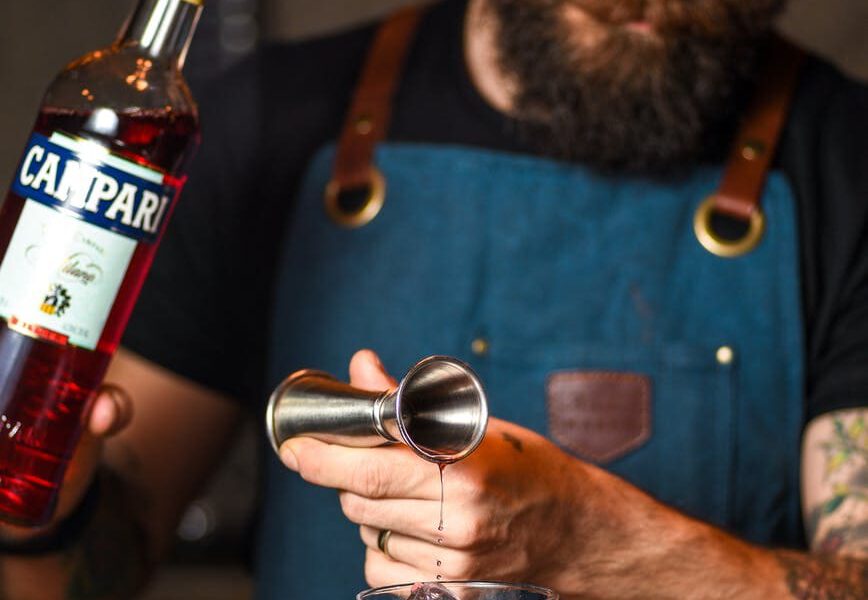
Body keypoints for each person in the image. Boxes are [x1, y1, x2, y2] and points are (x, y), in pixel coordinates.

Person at [1, 0, 867, 598]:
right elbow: (91, 569)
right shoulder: (273, 123)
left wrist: (599, 546)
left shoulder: (845, 158)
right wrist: (48, 511)